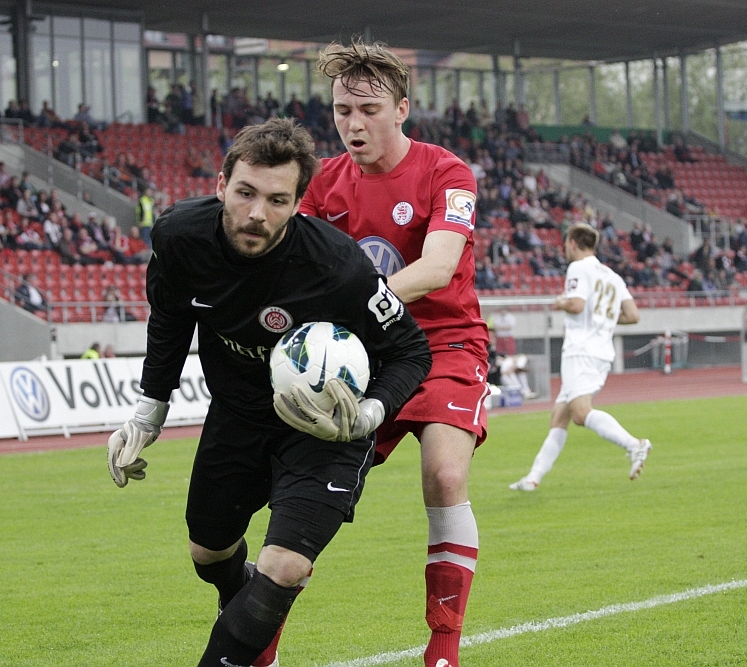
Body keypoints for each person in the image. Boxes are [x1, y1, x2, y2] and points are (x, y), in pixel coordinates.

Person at [106, 119, 431, 667]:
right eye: (246, 193)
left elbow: (411, 350)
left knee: (285, 566)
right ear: (221, 185)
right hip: (237, 414)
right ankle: (245, 607)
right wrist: (148, 412)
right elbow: (169, 319)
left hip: (323, 429)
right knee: (208, 551)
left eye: (278, 200)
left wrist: (368, 415)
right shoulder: (179, 237)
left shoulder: (337, 265)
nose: (257, 213)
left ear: (299, 204)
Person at [298, 40, 488, 667]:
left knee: (445, 476)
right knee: (303, 499)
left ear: (402, 109)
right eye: (342, 110)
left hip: (444, 343)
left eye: (369, 109)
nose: (353, 123)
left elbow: (437, 268)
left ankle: (443, 650)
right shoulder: (321, 183)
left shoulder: (446, 173)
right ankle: (257, 644)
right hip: (363, 354)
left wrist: (352, 303)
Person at [510, 223, 651, 492]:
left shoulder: (578, 268)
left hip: (581, 350)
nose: (564, 247)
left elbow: (576, 305)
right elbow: (633, 315)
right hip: (600, 350)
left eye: (566, 243)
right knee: (559, 416)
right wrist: (603, 319)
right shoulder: (612, 275)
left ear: (573, 243)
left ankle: (635, 444)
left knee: (580, 413)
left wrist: (560, 302)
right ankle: (532, 478)